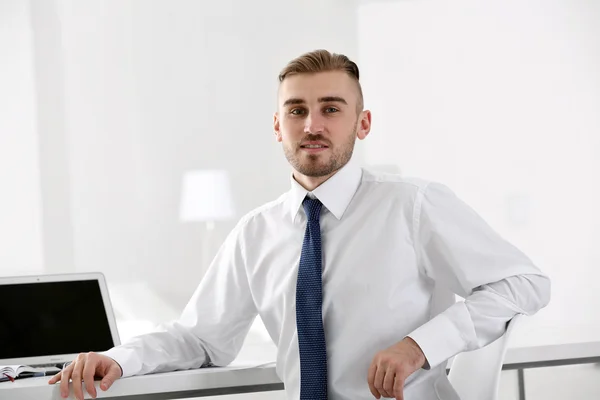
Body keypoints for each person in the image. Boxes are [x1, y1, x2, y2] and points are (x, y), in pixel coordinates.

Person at [49, 49, 550, 400]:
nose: (312, 125)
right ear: (277, 126)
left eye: (331, 109)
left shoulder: (413, 206)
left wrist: (420, 345)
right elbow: (201, 339)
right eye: (297, 110)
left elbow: (525, 283)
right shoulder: (256, 232)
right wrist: (121, 359)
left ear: (363, 122)